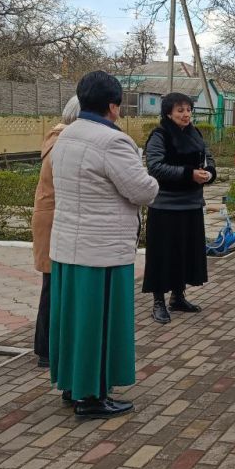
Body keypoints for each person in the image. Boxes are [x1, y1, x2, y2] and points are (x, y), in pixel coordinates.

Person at [49, 71, 159, 418]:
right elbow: (142, 190)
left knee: (74, 322)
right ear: (114, 106)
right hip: (102, 250)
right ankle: (92, 397)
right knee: (99, 325)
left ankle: (73, 386)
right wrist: (152, 177)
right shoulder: (113, 141)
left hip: (68, 246)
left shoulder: (66, 135)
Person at [142, 92, 216, 324]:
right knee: (163, 255)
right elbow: (155, 167)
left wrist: (209, 174)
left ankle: (178, 296)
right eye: (180, 110)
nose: (186, 114)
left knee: (185, 253)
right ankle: (158, 301)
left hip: (191, 203)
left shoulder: (196, 134)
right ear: (168, 113)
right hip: (165, 205)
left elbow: (208, 159)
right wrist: (188, 174)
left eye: (188, 110)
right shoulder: (160, 135)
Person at [31, 95, 81, 368]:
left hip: (50, 219)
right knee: (53, 287)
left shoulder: (57, 138)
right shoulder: (64, 143)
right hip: (54, 221)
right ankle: (47, 350)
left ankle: (48, 348)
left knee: (53, 285)